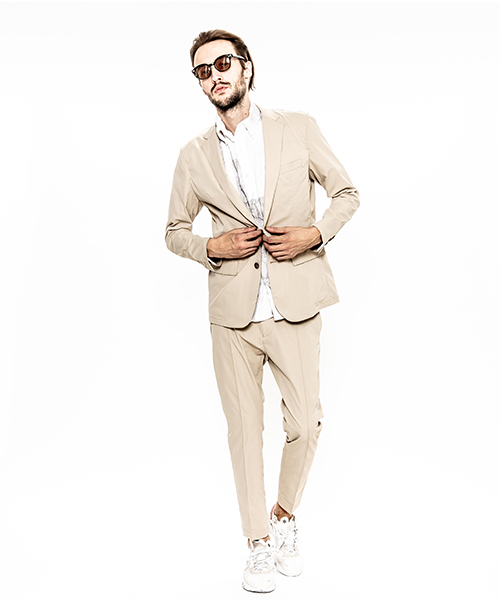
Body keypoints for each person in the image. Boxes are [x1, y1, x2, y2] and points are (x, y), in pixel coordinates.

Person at [165, 29, 359, 593]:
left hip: (296, 302)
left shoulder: (297, 127)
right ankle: (256, 542)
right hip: (233, 314)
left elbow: (346, 193)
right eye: (203, 71)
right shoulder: (193, 155)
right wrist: (210, 246)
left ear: (246, 67)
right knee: (245, 432)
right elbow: (174, 230)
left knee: (305, 424)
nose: (214, 76)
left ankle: (283, 515)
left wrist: (314, 234)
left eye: (223, 63)